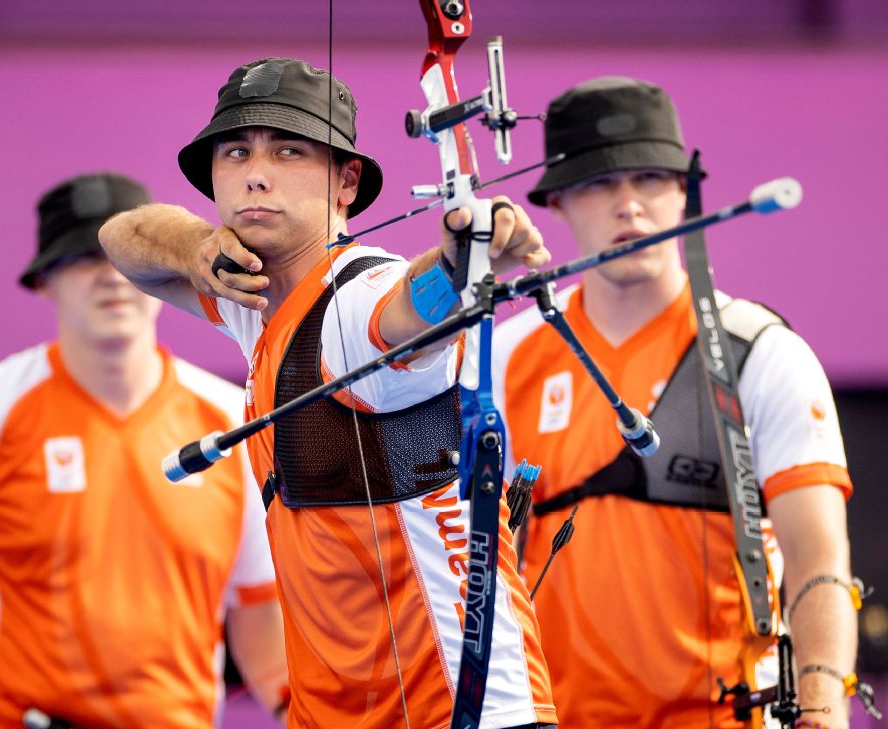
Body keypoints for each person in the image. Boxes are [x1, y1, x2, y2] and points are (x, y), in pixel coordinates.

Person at [100, 58, 557, 728]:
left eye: (289, 150)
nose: (256, 172)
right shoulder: (249, 299)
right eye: (236, 152)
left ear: (346, 182)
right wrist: (195, 242)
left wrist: (464, 260)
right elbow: (123, 239)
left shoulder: (356, 302)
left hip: (457, 710)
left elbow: (408, 310)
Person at [0, 173, 288, 729]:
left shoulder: (231, 419)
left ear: (164, 277)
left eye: (125, 260)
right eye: (81, 259)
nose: (109, 278)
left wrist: (302, 709)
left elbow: (257, 608)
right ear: (43, 282)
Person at [492, 76, 859, 728]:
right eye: (599, 183)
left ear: (685, 192)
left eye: (650, 179)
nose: (628, 206)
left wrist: (823, 697)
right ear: (556, 203)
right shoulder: (507, 357)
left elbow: (819, 558)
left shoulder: (761, 354)